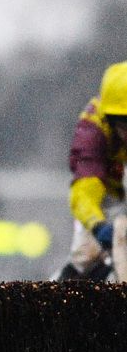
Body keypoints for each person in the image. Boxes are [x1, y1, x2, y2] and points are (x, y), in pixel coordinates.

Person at [55, 61, 127, 281]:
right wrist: (98, 226)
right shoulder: (93, 131)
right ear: (109, 119)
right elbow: (85, 189)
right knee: (85, 253)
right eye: (125, 125)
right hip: (108, 194)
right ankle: (62, 289)